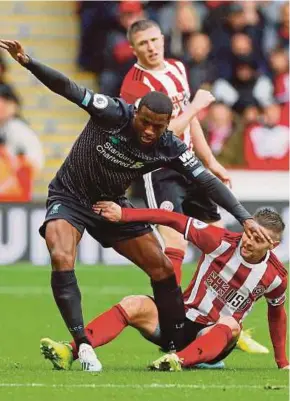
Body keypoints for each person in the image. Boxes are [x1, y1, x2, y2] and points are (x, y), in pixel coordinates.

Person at [0, 39, 270, 373]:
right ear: (137, 111)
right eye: (145, 122)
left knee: (160, 266)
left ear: (167, 124)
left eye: (158, 126)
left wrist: (243, 217)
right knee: (60, 252)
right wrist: (28, 61)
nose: (149, 131)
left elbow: (207, 181)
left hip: (111, 203)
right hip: (70, 195)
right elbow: (68, 88)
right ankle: (82, 344)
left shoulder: (168, 145)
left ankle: (179, 343)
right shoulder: (112, 112)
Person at [120, 19, 267, 353]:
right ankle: (173, 328)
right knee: (175, 246)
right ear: (133, 49)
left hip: (190, 164)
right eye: (143, 44)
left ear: (163, 38)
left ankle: (219, 319)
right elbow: (162, 133)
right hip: (159, 168)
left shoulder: (176, 67)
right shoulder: (134, 86)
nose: (152, 47)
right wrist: (197, 105)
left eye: (155, 40)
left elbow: (191, 121)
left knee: (222, 244)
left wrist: (212, 162)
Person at [40, 204, 289, 372]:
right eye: (249, 233)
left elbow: (276, 314)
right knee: (134, 302)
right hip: (179, 321)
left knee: (232, 325)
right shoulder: (220, 241)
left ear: (273, 245)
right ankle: (69, 351)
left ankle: (178, 361)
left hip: (215, 337)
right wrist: (124, 215)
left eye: (258, 239)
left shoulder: (276, 277)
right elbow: (171, 219)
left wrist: (282, 362)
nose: (248, 241)